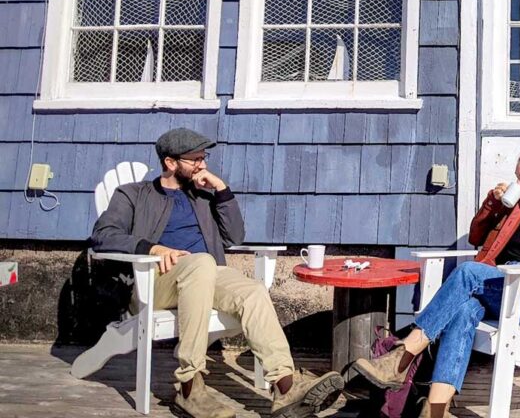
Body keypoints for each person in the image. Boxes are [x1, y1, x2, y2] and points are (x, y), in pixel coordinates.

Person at [90, 127, 345, 418]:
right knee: (201, 263)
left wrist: (221, 190)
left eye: (204, 157)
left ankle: (284, 386)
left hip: (207, 274)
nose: (203, 164)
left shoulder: (201, 197)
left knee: (252, 291)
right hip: (156, 280)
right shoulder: (133, 194)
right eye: (194, 159)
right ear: (170, 163)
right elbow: (103, 235)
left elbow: (234, 236)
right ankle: (189, 387)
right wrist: (152, 248)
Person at [352, 147, 520, 418]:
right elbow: (476, 235)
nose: (519, 184)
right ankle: (436, 410)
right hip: (498, 287)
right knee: (463, 311)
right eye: (517, 179)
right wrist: (492, 204)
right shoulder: (516, 207)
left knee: (468, 272)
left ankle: (404, 355)